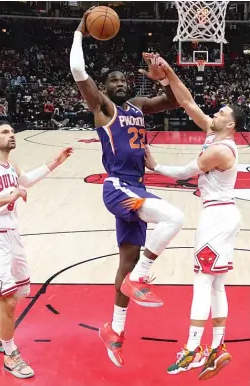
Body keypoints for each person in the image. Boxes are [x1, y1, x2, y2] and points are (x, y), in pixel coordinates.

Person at [70, 9, 184, 367]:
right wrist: (78, 32)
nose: (120, 83)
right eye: (113, 80)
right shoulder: (103, 107)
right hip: (118, 186)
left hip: (136, 186)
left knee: (127, 262)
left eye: (123, 79)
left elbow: (176, 101)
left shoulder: (137, 106)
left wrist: (164, 76)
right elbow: (78, 72)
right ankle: (142, 276)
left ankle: (114, 331)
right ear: (105, 88)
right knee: (175, 217)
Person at [144, 55, 245, 380]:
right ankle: (217, 347)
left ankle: (192, 349)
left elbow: (187, 172)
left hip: (217, 218)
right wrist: (167, 71)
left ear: (229, 124)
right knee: (216, 285)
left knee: (203, 281)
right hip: (223, 216)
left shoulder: (222, 149)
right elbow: (186, 100)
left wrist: (156, 166)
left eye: (220, 113)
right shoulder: (214, 135)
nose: (213, 113)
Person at [0, 121, 72, 379]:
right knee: (7, 297)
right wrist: (7, 197)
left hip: (12, 235)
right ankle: (10, 354)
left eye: (12, 132)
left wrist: (55, 162)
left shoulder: (9, 165)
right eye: (4, 132)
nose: (11, 135)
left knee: (20, 291)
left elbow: (26, 180)